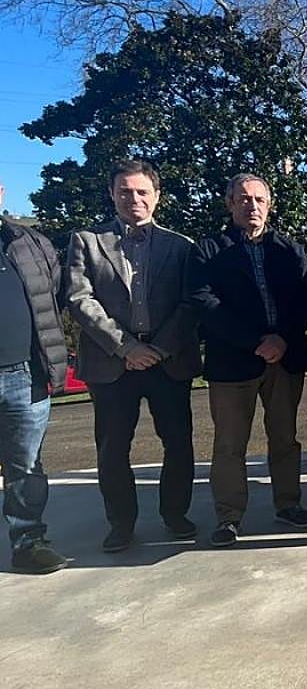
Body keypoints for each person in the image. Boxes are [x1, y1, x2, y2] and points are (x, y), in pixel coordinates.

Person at [65, 159, 200, 552]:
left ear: (157, 196)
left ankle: (175, 515)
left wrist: (156, 348)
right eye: (125, 191)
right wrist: (125, 346)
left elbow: (190, 304)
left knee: (178, 442)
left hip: (167, 360)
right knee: (112, 448)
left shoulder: (181, 246)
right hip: (112, 362)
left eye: (142, 191)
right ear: (112, 194)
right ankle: (121, 524)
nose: (134, 199)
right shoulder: (86, 241)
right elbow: (78, 298)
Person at [188, 173, 307, 548]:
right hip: (233, 363)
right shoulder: (208, 250)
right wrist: (254, 342)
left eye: (260, 199)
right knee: (230, 444)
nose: (252, 206)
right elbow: (203, 301)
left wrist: (282, 339)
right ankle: (229, 517)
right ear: (229, 203)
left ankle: (288, 504)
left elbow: (303, 299)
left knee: (285, 438)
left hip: (285, 357)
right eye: (244, 199)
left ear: (269, 204)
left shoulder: (289, 249)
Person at [0, 186, 70, 575]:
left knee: (26, 466)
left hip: (25, 374)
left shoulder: (30, 243)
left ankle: (29, 542)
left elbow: (54, 297)